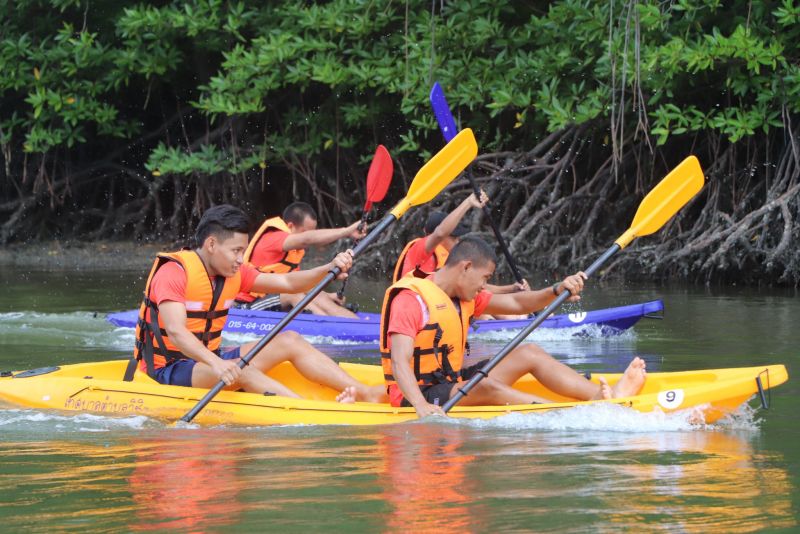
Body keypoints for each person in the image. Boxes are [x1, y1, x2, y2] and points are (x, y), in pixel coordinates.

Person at [129, 204, 384, 403]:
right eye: (236, 251)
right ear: (211, 244)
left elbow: (288, 284)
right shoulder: (174, 272)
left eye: (244, 250)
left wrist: (328, 268)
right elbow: (176, 330)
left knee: (290, 340)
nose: (241, 259)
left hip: (209, 360)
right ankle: (306, 410)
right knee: (242, 369)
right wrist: (218, 364)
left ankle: (365, 393)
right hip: (167, 370)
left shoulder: (236, 273)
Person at [379, 236, 647, 417]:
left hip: (449, 382)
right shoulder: (410, 299)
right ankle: (574, 414)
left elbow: (519, 303)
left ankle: (603, 399)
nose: (485, 285)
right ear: (466, 267)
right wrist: (421, 406)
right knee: (482, 386)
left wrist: (556, 289)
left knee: (529, 352)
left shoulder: (464, 296)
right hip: (415, 394)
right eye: (484, 277)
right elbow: (400, 361)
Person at [393, 190, 530, 319]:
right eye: (454, 237)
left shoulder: (449, 260)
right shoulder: (419, 250)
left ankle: (522, 316)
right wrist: (469, 202)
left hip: (440, 310)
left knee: (476, 304)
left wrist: (511, 288)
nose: (458, 241)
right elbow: (440, 233)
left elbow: (478, 287)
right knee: (484, 315)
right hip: (417, 313)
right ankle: (519, 319)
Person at [235, 201, 366, 318]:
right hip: (246, 306)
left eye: (312, 231)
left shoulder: (293, 252)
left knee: (315, 294)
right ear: (290, 226)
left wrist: (327, 296)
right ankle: (329, 326)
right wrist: (347, 231)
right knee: (294, 295)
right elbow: (307, 239)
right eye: (305, 231)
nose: (312, 235)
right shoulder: (273, 238)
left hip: (275, 299)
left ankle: (354, 324)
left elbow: (299, 283)